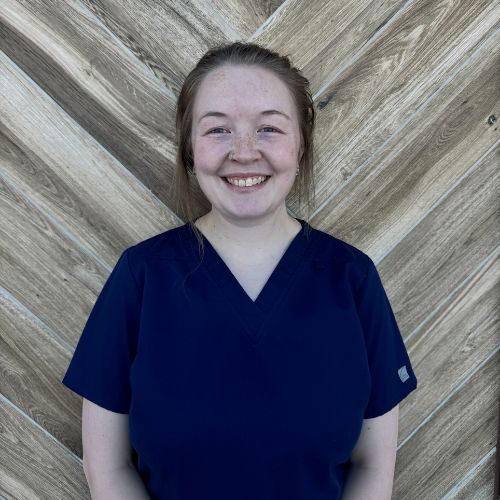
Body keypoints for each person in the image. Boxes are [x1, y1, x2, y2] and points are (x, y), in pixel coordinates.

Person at [62, 41, 417, 500]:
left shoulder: (352, 280)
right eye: (218, 130)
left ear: (301, 147)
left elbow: (373, 466)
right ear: (190, 150)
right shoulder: (142, 278)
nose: (244, 152)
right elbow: (107, 468)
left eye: (268, 128)